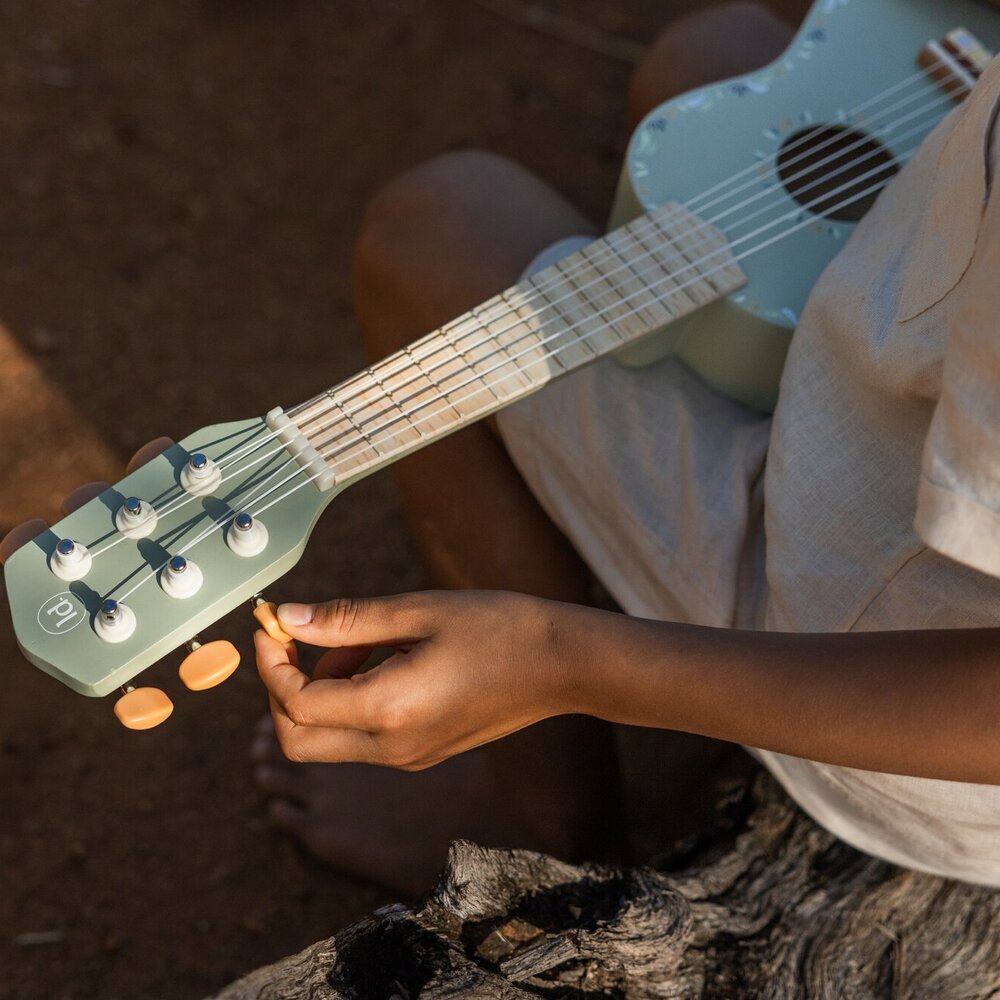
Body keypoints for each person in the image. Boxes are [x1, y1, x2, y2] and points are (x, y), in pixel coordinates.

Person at [7, 2, 1000, 896]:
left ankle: (555, 840)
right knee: (720, 60)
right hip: (927, 359)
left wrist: (561, 660)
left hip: (882, 655)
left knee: (440, 227)